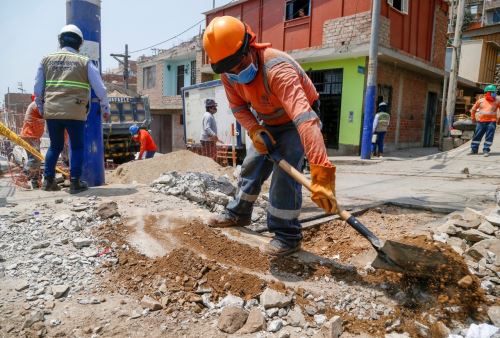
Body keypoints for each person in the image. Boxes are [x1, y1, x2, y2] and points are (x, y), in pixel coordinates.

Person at [203, 16, 336, 256]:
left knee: (285, 175)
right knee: (252, 163)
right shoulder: (228, 73)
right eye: (228, 68)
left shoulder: (277, 69)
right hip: (268, 120)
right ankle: (238, 213)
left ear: (250, 47)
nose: (235, 72)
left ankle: (288, 236)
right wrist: (254, 129)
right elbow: (238, 108)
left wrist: (322, 172)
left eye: (239, 64)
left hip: (297, 121)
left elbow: (305, 121)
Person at [34, 24, 110, 194]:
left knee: (55, 146)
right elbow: (100, 89)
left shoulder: (46, 60)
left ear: (60, 40)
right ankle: (75, 182)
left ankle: (48, 181)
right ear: (79, 43)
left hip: (52, 111)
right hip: (76, 111)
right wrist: (106, 108)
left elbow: (38, 88)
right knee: (76, 147)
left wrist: (40, 106)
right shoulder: (84, 62)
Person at [20, 95, 45, 189]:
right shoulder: (36, 105)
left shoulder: (37, 104)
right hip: (30, 135)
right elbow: (47, 114)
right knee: (35, 159)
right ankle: (22, 177)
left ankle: (35, 182)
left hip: (33, 136)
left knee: (36, 160)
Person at [470, 85, 500, 157]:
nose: (494, 94)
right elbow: (473, 110)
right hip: (481, 122)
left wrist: (499, 119)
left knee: (489, 136)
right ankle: (474, 149)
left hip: (491, 122)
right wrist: (473, 118)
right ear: (487, 93)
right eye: (493, 92)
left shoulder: (497, 101)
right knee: (477, 136)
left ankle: (486, 150)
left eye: (495, 92)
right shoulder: (480, 101)